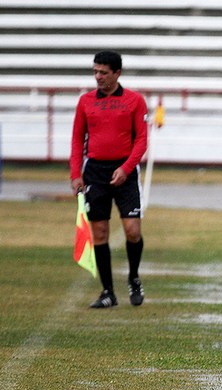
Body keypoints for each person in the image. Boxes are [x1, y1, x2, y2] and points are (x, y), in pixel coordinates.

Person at [69, 50, 148, 308]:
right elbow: (77, 139)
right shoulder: (85, 102)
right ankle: (108, 293)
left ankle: (134, 278)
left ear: (117, 73)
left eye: (103, 72)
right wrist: (75, 175)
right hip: (95, 172)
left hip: (124, 170)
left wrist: (126, 168)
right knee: (99, 232)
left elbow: (141, 141)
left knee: (132, 230)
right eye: (95, 71)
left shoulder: (135, 101)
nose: (98, 77)